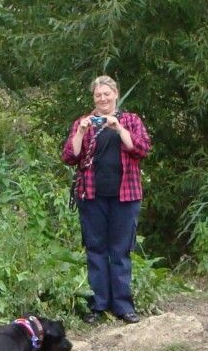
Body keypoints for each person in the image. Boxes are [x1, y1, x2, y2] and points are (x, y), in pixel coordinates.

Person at [61, 75, 152, 324]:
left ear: (116, 94)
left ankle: (123, 306)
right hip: (92, 196)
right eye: (98, 95)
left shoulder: (131, 120)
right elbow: (70, 156)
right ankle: (98, 306)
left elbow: (142, 148)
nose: (102, 99)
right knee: (96, 250)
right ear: (94, 98)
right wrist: (80, 131)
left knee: (121, 252)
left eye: (106, 94)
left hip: (126, 196)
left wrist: (118, 128)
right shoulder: (85, 122)